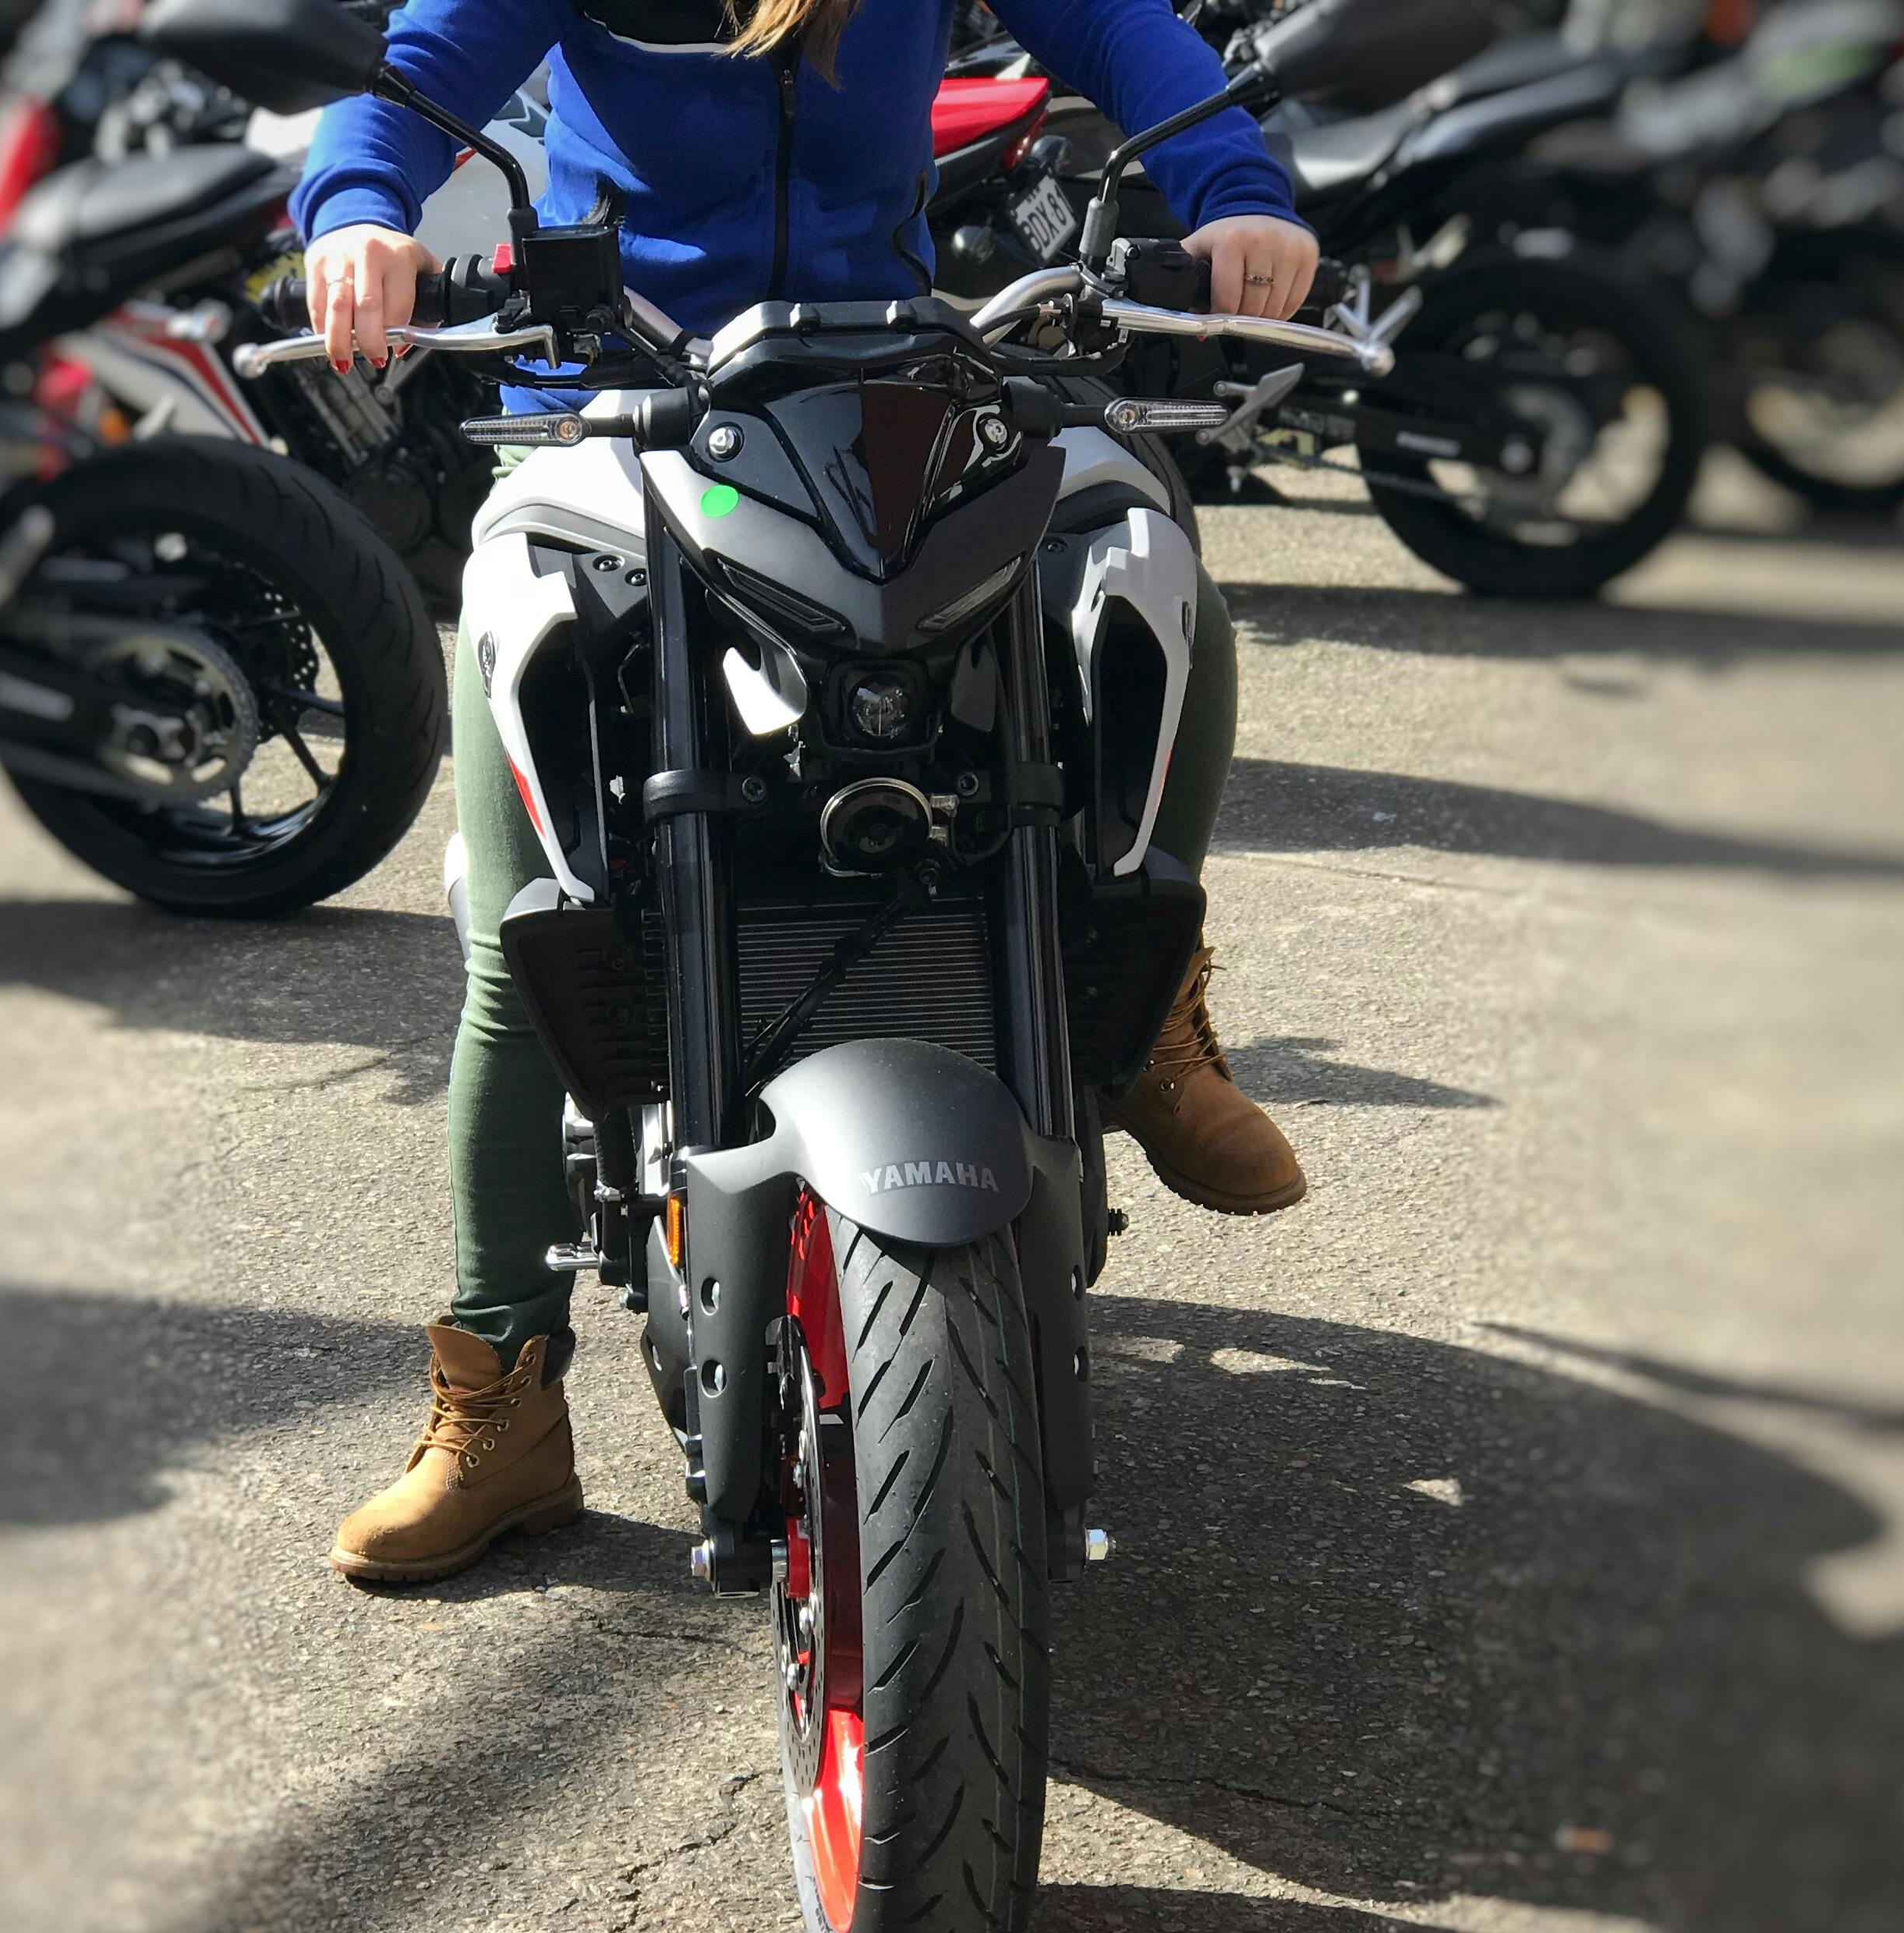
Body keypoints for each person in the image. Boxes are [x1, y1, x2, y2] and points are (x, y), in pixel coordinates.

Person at [301, 0, 1320, 1583]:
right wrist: (357, 213)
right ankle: (503, 1395)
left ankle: (1152, 1002)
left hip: (888, 397)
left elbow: (1120, 24)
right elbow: (411, 83)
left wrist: (1237, 187)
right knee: (530, 907)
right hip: (615, 407)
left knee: (1145, 558)